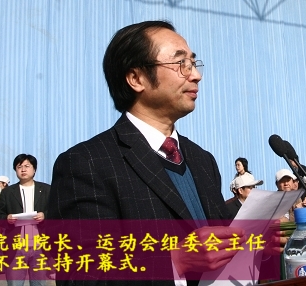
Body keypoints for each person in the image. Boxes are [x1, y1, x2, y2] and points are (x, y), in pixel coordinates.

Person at [47, 21, 242, 285]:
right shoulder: (87, 163)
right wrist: (176, 262)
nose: (196, 75)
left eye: (193, 63)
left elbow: (221, 251)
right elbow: (80, 275)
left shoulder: (202, 160)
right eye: (181, 63)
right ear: (136, 79)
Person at [0, 154, 50, 286]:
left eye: (27, 166)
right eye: (19, 167)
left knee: (39, 283)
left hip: (40, 245)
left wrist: (45, 215)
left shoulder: (46, 189)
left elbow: (56, 212)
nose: (23, 169)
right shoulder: (7, 192)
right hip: (16, 246)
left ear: (34, 169)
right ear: (15, 170)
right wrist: (6, 218)